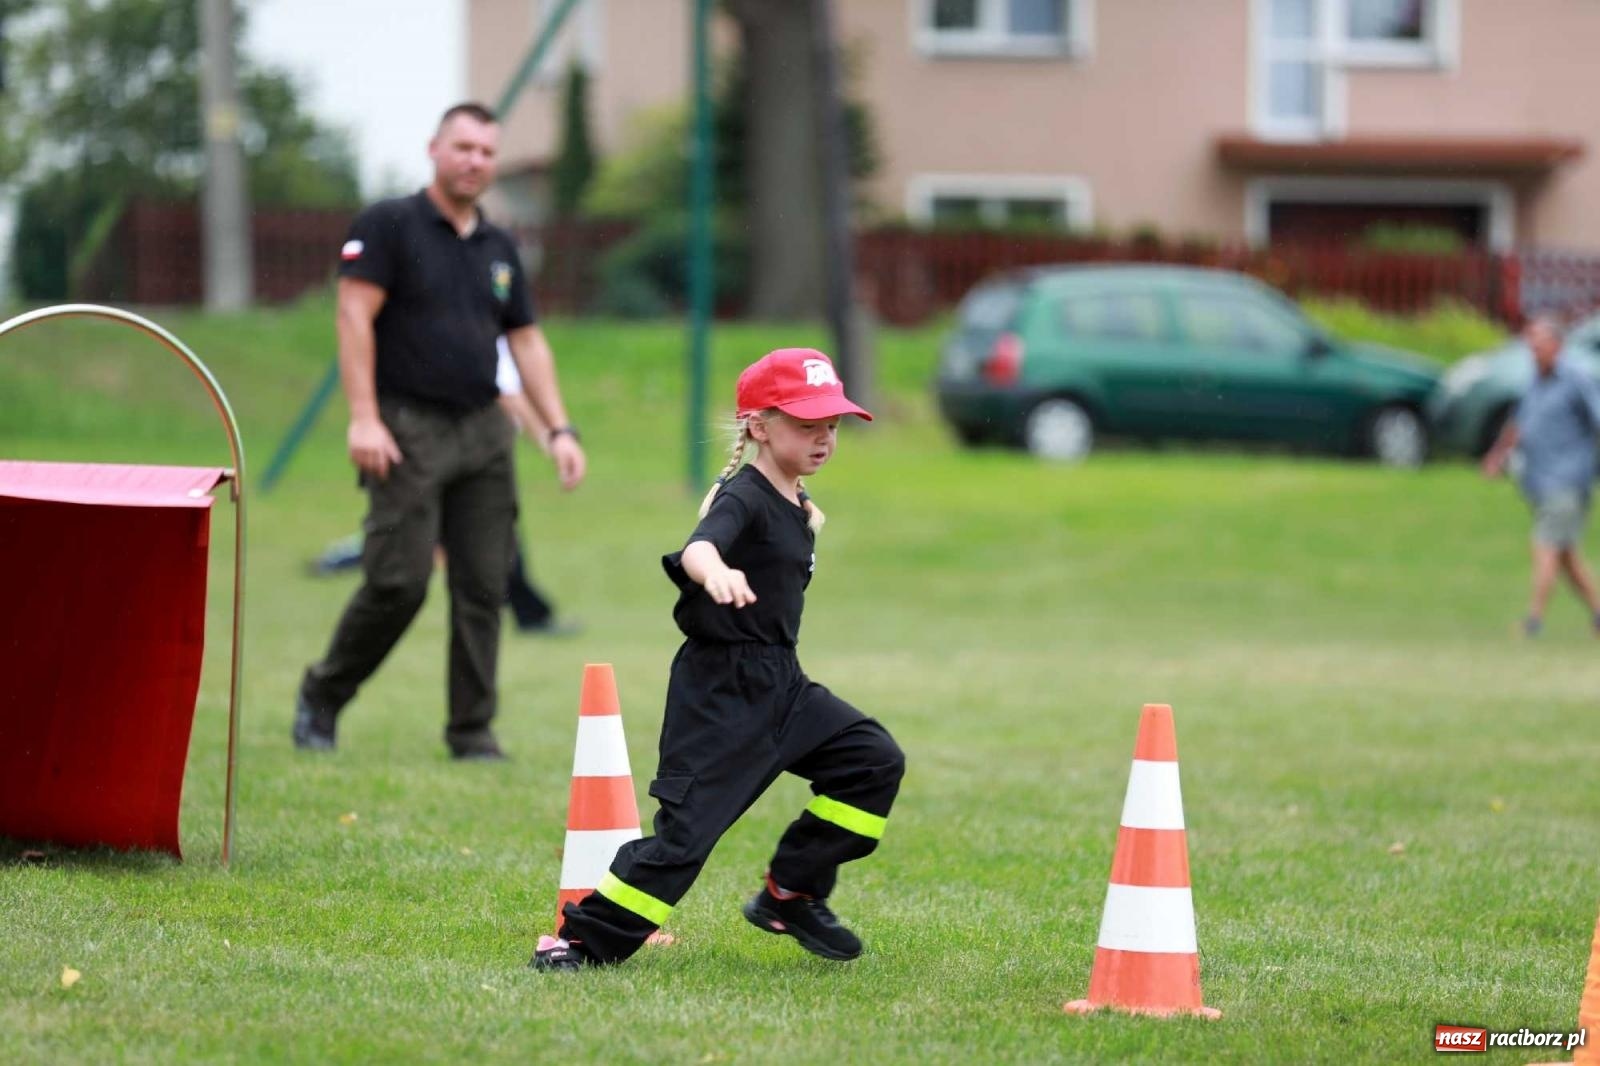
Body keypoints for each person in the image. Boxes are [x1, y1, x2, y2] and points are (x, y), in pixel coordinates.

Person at [530, 348, 905, 971]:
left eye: (832, 426)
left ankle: (791, 893)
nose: (824, 439)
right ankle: (578, 943)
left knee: (871, 761)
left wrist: (805, 520)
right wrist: (717, 572)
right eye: (807, 426)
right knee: (685, 841)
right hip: (721, 693)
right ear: (760, 426)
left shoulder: (793, 501)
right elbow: (700, 547)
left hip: (782, 682)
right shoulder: (745, 497)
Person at [292, 102, 586, 760]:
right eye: (463, 147)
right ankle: (322, 694)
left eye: (486, 151)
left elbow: (528, 343)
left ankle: (472, 730)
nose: (475, 160)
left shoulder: (500, 246)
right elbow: (353, 317)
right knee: (398, 583)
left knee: (485, 582)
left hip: (484, 431)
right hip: (406, 426)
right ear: (434, 149)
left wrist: (559, 429)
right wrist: (364, 417)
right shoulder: (390, 225)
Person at [304, 337, 582, 639]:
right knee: (423, 544)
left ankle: (531, 613)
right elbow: (506, 395)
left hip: (479, 454)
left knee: (467, 541)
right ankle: (341, 560)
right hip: (465, 454)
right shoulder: (485, 332)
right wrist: (548, 438)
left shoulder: (495, 327)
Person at [1482, 314, 1600, 637]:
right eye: (1529, 342)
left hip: (1568, 480)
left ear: (1557, 345)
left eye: (1539, 342)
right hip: (1539, 480)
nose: (1533, 348)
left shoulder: (1577, 379)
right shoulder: (1535, 380)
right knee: (1567, 557)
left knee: (1545, 545)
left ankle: (1534, 621)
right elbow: (1519, 423)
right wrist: (1497, 455)